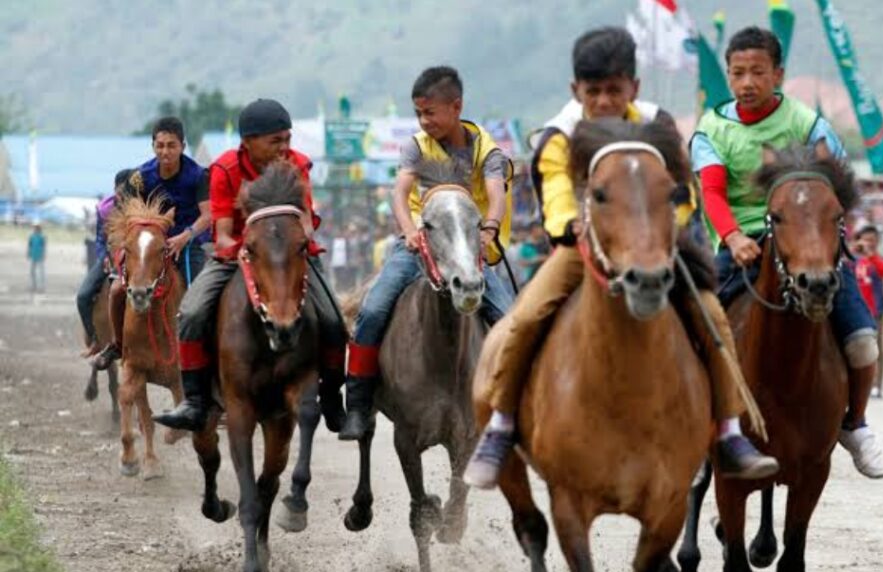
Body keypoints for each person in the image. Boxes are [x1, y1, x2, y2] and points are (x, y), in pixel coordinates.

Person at [464, 26, 778, 489]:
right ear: (577, 90)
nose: (605, 101)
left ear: (634, 86)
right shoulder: (558, 136)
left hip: (655, 246)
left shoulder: (657, 125)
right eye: (594, 92)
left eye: (615, 90)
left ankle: (729, 431)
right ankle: (501, 424)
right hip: (583, 249)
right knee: (526, 316)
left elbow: (683, 191)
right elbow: (556, 197)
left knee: (712, 315)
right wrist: (574, 225)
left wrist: (660, 230)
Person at [690, 27, 883, 478]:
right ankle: (700, 429)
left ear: (777, 73)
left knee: (860, 340)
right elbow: (713, 192)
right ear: (728, 75)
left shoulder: (808, 123)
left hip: (810, 240)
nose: (747, 82)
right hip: (741, 244)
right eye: (738, 73)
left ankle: (855, 425)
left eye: (758, 72)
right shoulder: (712, 128)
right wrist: (734, 237)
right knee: (697, 336)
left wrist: (829, 235)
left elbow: (838, 184)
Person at [338, 67, 515, 441]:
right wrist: (408, 232)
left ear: (456, 106)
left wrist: (488, 230)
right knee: (371, 311)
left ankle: (511, 410)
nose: (424, 121)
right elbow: (400, 194)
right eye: (419, 113)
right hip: (421, 245)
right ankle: (357, 405)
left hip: (470, 247)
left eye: (430, 112)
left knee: (509, 323)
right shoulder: (416, 146)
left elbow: (496, 195)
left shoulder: (488, 150)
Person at [152, 99, 347, 432]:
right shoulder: (225, 169)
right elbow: (224, 235)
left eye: (287, 138)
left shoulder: (297, 164)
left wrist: (286, 245)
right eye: (276, 141)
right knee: (192, 313)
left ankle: (331, 398)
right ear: (248, 142)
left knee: (333, 320)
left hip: (288, 256)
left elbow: (306, 222)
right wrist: (253, 252)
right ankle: (196, 401)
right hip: (237, 256)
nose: (285, 148)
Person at [91, 117, 212, 369]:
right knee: (115, 291)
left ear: (182, 146)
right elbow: (126, 214)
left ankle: (209, 352)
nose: (165, 151)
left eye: (171, 145)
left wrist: (185, 236)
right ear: (153, 146)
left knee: (205, 298)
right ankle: (117, 344)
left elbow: (208, 215)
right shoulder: (139, 178)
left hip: (187, 247)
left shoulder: (198, 175)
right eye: (160, 145)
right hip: (146, 249)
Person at [77, 169, 133, 356]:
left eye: (129, 190)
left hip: (135, 257)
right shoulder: (105, 209)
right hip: (110, 256)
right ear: (115, 188)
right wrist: (106, 258)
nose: (124, 194)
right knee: (83, 296)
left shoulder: (140, 207)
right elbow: (100, 239)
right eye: (122, 189)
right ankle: (95, 340)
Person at [854, 226, 883, 398]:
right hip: (856, 308)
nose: (869, 242)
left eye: (872, 240)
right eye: (865, 239)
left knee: (877, 349)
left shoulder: (878, 260)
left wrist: (871, 255)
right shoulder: (852, 258)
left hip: (875, 310)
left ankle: (877, 385)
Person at [27, 223, 46, 293]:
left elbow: (44, 246)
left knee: (41, 272)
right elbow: (30, 245)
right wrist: (29, 253)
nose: (35, 229)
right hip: (33, 256)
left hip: (40, 256)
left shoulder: (42, 237)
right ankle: (33, 286)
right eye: (35, 228)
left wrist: (43, 254)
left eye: (36, 228)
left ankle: (41, 287)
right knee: (32, 272)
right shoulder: (31, 236)